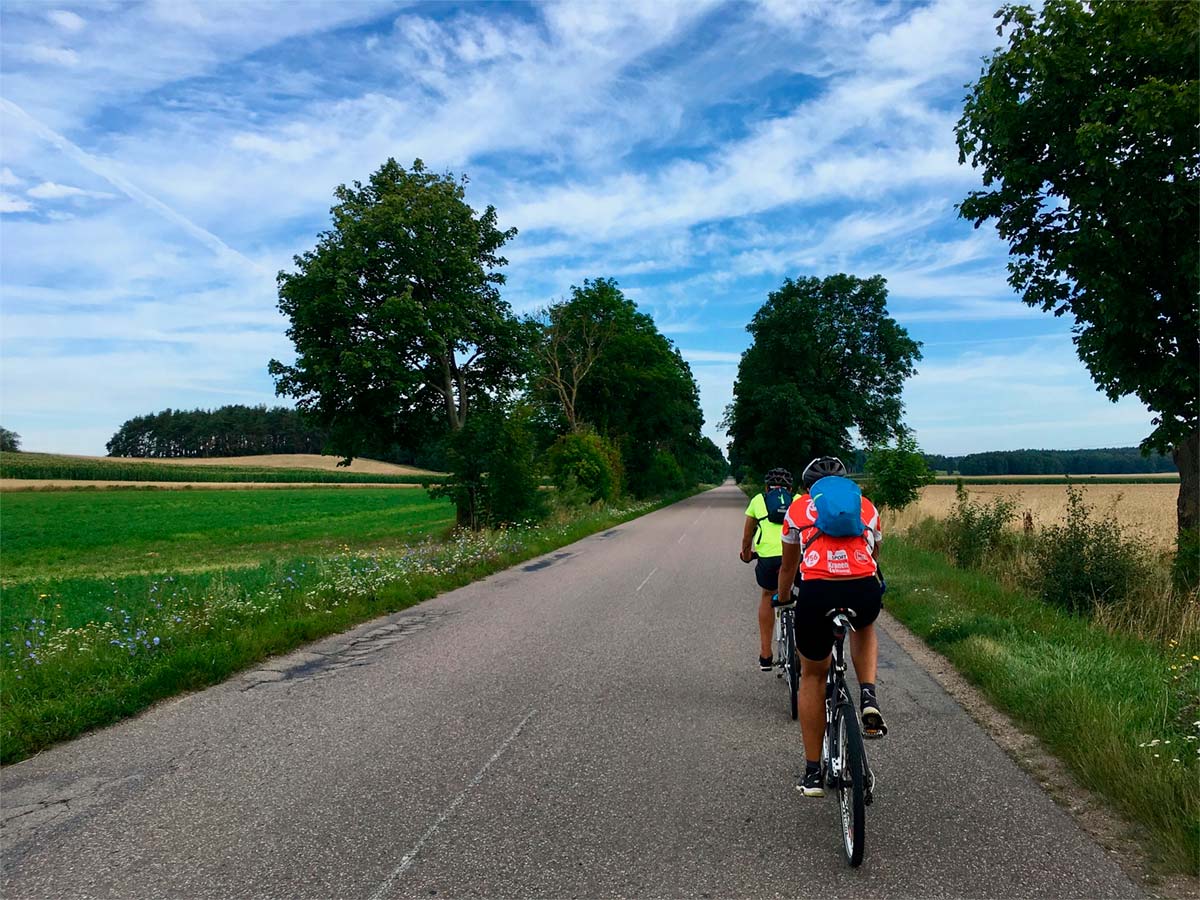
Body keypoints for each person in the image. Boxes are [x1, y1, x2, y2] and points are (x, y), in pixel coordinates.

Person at [777, 456, 888, 798]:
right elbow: (875, 554)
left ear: (809, 487)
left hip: (818, 591)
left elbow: (788, 567)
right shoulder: (866, 507)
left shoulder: (798, 510)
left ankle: (812, 773)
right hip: (862, 587)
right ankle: (868, 694)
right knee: (865, 624)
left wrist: (783, 599)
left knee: (812, 675)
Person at [739, 467, 793, 671]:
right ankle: (801, 650)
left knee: (767, 595)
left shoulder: (758, 501)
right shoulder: (798, 500)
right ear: (790, 487)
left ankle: (765, 655)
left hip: (769, 559)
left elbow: (747, 535)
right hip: (796, 557)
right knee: (803, 595)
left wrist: (746, 554)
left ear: (766, 487)